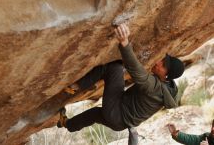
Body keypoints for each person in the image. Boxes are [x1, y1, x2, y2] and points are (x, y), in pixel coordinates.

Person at [57, 23, 185, 145]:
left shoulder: (156, 88)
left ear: (166, 75)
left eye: (162, 65)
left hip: (116, 112)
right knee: (94, 114)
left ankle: (75, 87)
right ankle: (67, 123)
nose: (158, 62)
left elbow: (136, 70)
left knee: (115, 68)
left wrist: (124, 42)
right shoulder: (169, 88)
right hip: (120, 122)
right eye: (163, 60)